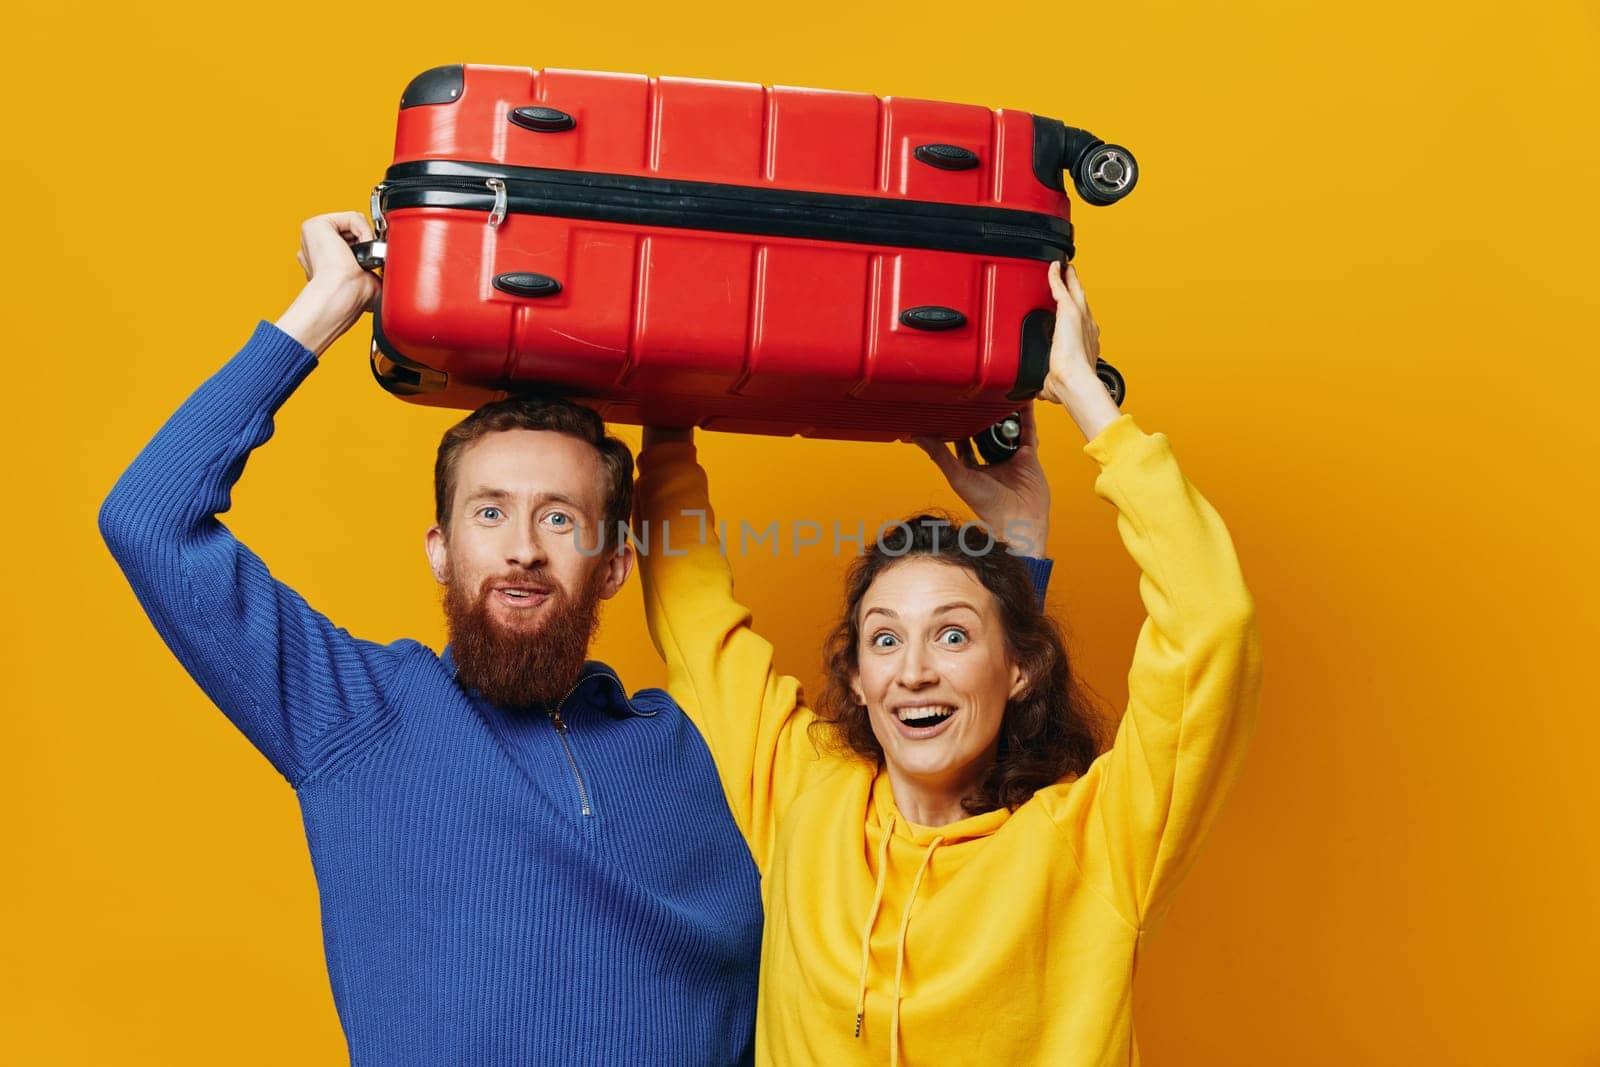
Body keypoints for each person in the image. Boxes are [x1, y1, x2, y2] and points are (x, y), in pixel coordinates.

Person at [99, 213, 762, 1065]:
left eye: (559, 518)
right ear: (440, 552)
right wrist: (330, 302)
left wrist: (676, 421)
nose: (523, 546)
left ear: (614, 565)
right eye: (490, 512)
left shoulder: (692, 742)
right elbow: (148, 519)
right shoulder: (360, 714)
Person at [635, 261, 1264, 1065]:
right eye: (885, 638)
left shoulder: (1094, 843)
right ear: (857, 681)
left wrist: (1087, 398)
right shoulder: (805, 795)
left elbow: (1214, 620)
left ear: (1021, 670)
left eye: (954, 635)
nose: (916, 670)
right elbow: (695, 616)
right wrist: (664, 420)